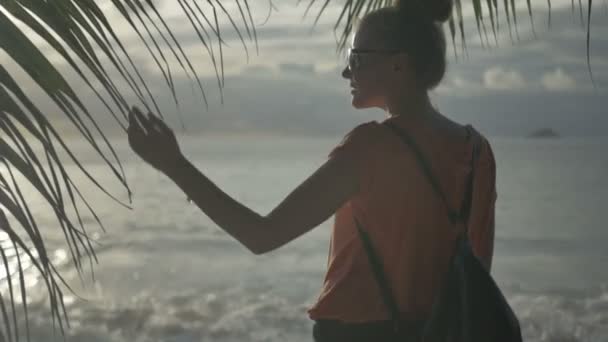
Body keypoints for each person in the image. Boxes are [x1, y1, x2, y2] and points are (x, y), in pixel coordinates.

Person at [127, 0, 497, 340]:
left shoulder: (371, 148)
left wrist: (174, 165)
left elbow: (261, 235)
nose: (345, 71)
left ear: (398, 64)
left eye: (355, 58)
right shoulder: (477, 150)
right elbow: (477, 273)